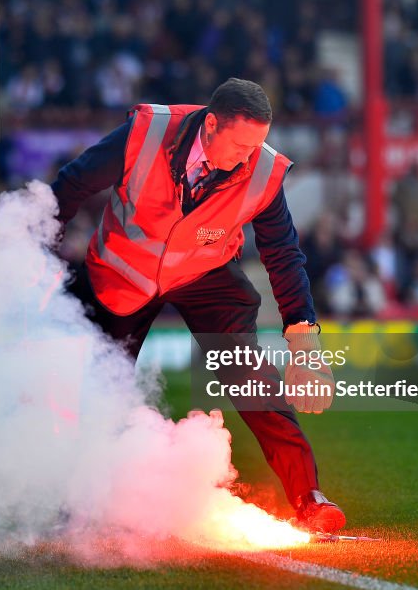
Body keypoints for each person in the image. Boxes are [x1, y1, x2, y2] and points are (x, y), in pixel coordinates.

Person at [50, 78, 345, 533]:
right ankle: (78, 504)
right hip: (123, 273)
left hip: (205, 274)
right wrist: (36, 252)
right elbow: (69, 188)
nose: (250, 157)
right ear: (210, 125)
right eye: (242, 144)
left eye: (258, 145)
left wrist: (304, 342)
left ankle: (309, 497)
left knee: (253, 379)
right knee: (98, 389)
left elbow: (283, 255)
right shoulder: (145, 134)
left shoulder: (263, 171)